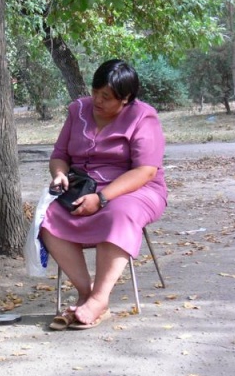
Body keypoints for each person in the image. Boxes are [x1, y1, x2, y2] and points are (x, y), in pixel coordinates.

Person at [40, 59, 167, 330]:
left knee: (120, 213)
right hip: (83, 188)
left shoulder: (144, 117)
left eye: (106, 97)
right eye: (95, 91)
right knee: (48, 216)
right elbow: (60, 155)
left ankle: (100, 296)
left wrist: (103, 198)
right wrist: (60, 174)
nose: (97, 100)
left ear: (126, 98)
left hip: (136, 189)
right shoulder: (78, 110)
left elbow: (145, 171)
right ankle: (87, 296)